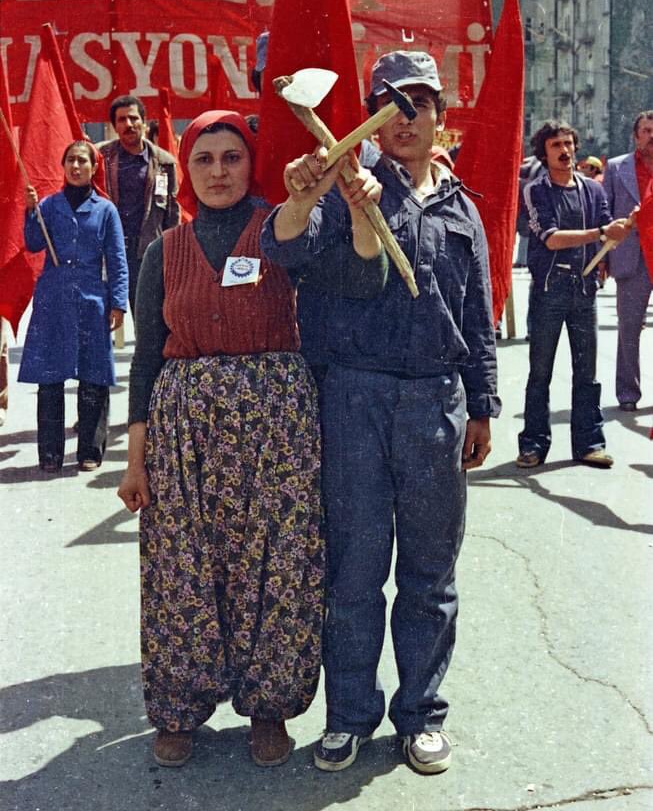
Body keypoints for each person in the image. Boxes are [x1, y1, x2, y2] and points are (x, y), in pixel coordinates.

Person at [117, 110, 387, 770]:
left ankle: (270, 709)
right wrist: (135, 462)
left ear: (251, 164)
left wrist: (357, 211)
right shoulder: (163, 250)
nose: (218, 172)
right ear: (186, 168)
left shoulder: (283, 228)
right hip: (185, 434)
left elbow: (362, 280)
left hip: (277, 429)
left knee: (280, 566)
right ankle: (180, 710)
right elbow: (146, 360)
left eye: (231, 158)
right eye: (204, 159)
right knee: (183, 568)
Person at [262, 50, 500, 776]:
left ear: (438, 119)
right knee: (355, 571)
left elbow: (478, 317)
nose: (405, 118)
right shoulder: (344, 181)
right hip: (355, 398)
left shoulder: (461, 209)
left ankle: (421, 715)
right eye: (390, 106)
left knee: (430, 572)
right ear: (371, 117)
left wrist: (482, 406)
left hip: (435, 402)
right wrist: (312, 192)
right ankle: (350, 717)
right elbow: (287, 249)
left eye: (419, 104)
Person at [517, 121, 632, 469]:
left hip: (584, 291)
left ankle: (589, 444)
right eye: (556, 145)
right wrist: (601, 232)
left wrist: (616, 234)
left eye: (568, 143)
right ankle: (533, 444)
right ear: (544, 152)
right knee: (540, 373)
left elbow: (607, 228)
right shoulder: (536, 190)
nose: (565, 151)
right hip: (549, 291)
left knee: (587, 373)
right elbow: (551, 239)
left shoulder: (592, 190)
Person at [18, 141, 128, 472]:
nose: (76, 166)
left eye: (82, 161)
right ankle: (50, 453)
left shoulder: (106, 210)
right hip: (54, 299)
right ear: (63, 165)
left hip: (92, 300)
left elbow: (117, 259)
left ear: (94, 168)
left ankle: (90, 450)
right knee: (50, 376)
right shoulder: (49, 205)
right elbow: (33, 243)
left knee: (94, 376)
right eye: (70, 160)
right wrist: (30, 212)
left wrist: (118, 303)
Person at [100, 95, 180, 313]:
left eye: (134, 118)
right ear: (114, 126)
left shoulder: (164, 162)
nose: (129, 124)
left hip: (146, 252)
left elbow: (172, 213)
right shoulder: (100, 157)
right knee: (102, 316)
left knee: (146, 316)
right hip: (107, 251)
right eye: (122, 119)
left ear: (144, 122)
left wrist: (169, 253)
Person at [602, 110, 653, 412]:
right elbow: (604, 212)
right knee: (629, 328)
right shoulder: (616, 167)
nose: (651, 136)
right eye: (646, 130)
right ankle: (628, 393)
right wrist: (604, 258)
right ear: (635, 136)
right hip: (632, 258)